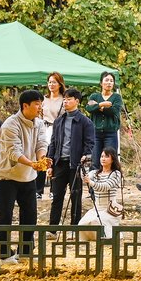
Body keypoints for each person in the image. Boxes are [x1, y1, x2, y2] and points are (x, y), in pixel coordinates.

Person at [0, 90, 46, 263]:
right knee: (5, 216)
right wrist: (32, 163)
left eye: (41, 103)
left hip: (28, 176)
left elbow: (41, 143)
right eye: (37, 103)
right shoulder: (10, 124)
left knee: (30, 215)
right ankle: (4, 255)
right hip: (7, 176)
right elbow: (13, 152)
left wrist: (41, 159)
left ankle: (24, 251)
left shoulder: (40, 123)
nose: (40, 107)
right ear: (25, 106)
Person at [47, 87, 97, 225]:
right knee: (56, 196)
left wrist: (85, 157)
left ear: (77, 101)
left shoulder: (85, 122)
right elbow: (53, 143)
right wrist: (50, 162)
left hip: (76, 164)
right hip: (59, 163)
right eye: (64, 99)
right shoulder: (59, 121)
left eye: (69, 99)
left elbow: (90, 143)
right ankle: (53, 228)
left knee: (75, 196)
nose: (65, 101)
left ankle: (75, 227)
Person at [79, 147, 125, 238]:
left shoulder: (116, 174)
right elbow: (84, 176)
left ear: (113, 159)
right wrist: (83, 165)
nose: (103, 159)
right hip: (97, 208)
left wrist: (90, 182)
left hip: (110, 209)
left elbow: (105, 187)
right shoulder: (95, 173)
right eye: (102, 156)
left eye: (106, 156)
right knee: (82, 224)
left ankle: (112, 235)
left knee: (96, 222)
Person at [85, 72, 124, 167]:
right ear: (101, 83)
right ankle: (94, 180)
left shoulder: (116, 97)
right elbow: (89, 108)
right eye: (106, 80)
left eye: (111, 81)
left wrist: (97, 107)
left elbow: (114, 111)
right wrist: (102, 104)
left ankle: (111, 180)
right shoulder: (94, 96)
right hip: (96, 133)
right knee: (95, 160)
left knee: (110, 159)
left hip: (110, 133)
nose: (109, 83)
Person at [39, 71, 65, 197]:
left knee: (54, 158)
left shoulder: (63, 99)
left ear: (60, 84)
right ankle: (38, 190)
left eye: (54, 82)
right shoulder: (44, 99)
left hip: (58, 130)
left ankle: (53, 189)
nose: (51, 84)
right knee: (42, 156)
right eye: (49, 82)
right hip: (44, 129)